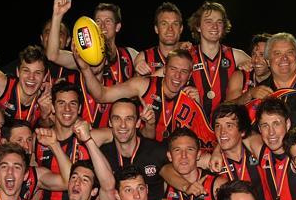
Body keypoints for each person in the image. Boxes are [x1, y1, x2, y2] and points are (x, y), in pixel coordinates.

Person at [76, 47, 214, 147]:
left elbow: (205, 139)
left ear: (189, 76)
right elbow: (101, 95)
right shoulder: (143, 85)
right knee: (97, 135)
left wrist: (198, 106)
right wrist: (85, 69)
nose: (177, 76)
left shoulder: (190, 98)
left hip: (172, 156)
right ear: (165, 70)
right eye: (173, 69)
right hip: (139, 147)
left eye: (183, 71)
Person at [45, 0, 138, 84]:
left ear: (117, 27)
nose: (102, 26)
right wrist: (57, 15)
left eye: (108, 21)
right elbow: (52, 55)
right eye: (98, 21)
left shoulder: (130, 54)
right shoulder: (86, 57)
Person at [186, 1, 251, 120]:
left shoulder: (236, 55)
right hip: (194, 125)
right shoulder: (186, 56)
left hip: (226, 127)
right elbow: (158, 79)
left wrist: (250, 66)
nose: (214, 26)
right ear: (198, 26)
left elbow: (264, 70)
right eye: (208, 21)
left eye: (219, 22)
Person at [98, 98, 170, 200]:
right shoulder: (101, 155)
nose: (123, 125)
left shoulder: (157, 151)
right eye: (117, 118)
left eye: (129, 119)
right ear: (110, 122)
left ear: (137, 123)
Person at [164, 128, 226, 200]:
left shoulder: (217, 184)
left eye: (190, 149)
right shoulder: (163, 184)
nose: (183, 155)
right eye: (177, 150)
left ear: (198, 155)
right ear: (169, 156)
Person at [225, 33, 273, 121]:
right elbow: (227, 108)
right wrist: (249, 94)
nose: (256, 60)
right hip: (244, 129)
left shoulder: (278, 78)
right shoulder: (241, 75)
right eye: (254, 54)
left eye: (262, 55)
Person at [134, 2, 184, 76]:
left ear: (181, 29)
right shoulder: (144, 57)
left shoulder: (191, 54)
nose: (170, 29)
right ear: (156, 29)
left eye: (175, 24)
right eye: (164, 24)